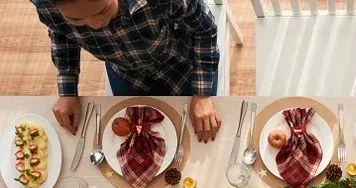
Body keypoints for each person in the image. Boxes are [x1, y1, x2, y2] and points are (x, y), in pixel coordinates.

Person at [31, 0, 222, 142]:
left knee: (199, 137)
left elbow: (205, 31)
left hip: (182, 67)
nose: (97, 25)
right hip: (126, 75)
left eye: (103, 10)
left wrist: (202, 95)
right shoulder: (46, 5)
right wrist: (67, 91)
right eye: (76, 19)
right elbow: (61, 33)